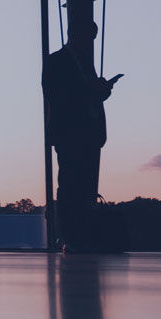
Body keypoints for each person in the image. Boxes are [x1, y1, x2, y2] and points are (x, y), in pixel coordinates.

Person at [44, 21, 121, 252]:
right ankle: (70, 237)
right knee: (71, 185)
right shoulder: (57, 61)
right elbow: (56, 96)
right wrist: (92, 91)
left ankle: (77, 236)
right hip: (71, 133)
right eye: (90, 37)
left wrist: (100, 92)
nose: (91, 42)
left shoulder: (77, 62)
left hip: (85, 133)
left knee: (80, 185)